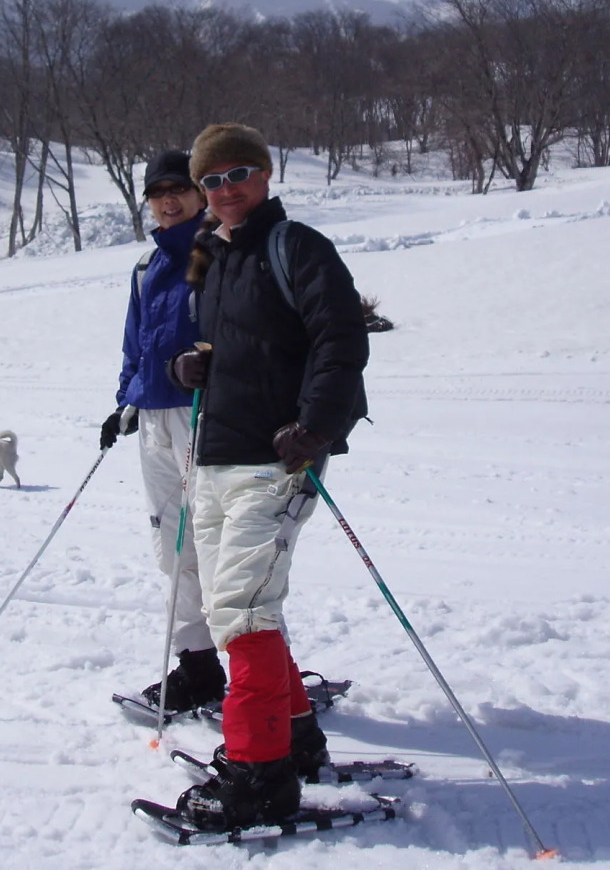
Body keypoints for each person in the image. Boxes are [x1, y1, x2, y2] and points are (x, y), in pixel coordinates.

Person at [166, 123, 369, 829]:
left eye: (238, 174)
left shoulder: (297, 245)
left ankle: (259, 776)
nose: (226, 189)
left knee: (243, 613)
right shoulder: (214, 257)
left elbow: (340, 339)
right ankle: (296, 737)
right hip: (216, 456)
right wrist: (194, 365)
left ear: (266, 174)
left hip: (274, 461)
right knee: (237, 608)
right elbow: (237, 344)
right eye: (212, 180)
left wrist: (315, 426)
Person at [101, 150, 227, 713]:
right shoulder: (145, 267)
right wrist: (125, 401)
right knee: (171, 546)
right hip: (154, 417)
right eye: (157, 193)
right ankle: (197, 666)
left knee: (222, 545)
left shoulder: (219, 254)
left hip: (203, 414)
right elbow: (136, 342)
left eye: (178, 189)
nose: (168, 200)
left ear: (199, 194)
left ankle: (271, 675)